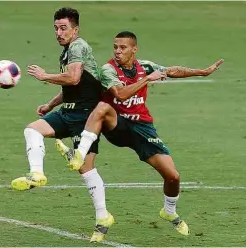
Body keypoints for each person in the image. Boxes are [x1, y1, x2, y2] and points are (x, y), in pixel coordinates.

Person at [56, 31, 224, 236]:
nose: (117, 51)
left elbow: (171, 70)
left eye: (123, 47)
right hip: (117, 125)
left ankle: (169, 212)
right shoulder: (108, 70)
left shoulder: (144, 67)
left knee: (173, 177)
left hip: (142, 128)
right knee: (102, 108)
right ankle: (80, 153)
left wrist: (202, 72)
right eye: (115, 47)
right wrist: (147, 80)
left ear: (134, 50)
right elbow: (120, 94)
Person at [10, 7, 120, 243]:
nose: (59, 33)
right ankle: (37, 174)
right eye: (56, 28)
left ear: (75, 29)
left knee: (86, 170)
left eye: (63, 28)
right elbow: (70, 87)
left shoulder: (78, 46)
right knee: (32, 129)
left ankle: (103, 217)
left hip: (85, 117)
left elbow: (73, 78)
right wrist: (50, 105)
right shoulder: (67, 52)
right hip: (68, 111)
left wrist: (44, 76)